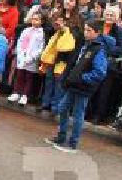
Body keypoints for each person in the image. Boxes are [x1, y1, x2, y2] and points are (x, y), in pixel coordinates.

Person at [46, 20, 111, 152]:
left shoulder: (98, 49)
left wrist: (83, 78)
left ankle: (73, 143)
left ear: (97, 33)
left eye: (89, 30)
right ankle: (61, 136)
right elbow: (74, 63)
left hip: (84, 87)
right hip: (73, 85)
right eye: (85, 29)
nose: (86, 33)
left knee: (78, 114)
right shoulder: (84, 45)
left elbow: (100, 72)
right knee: (63, 108)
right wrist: (68, 77)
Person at [38, 11, 80, 114]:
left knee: (58, 84)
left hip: (62, 62)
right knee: (49, 82)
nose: (57, 25)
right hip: (51, 61)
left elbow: (65, 47)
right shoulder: (56, 33)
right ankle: (45, 103)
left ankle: (55, 107)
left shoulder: (70, 33)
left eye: (59, 22)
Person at [7, 12, 46, 105]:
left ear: (41, 21)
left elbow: (40, 48)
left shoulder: (41, 33)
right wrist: (20, 54)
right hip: (22, 56)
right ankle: (16, 92)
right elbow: (20, 42)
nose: (34, 21)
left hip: (31, 59)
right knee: (19, 75)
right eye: (33, 19)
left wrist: (31, 57)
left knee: (29, 77)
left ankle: (25, 95)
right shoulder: (26, 30)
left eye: (37, 19)